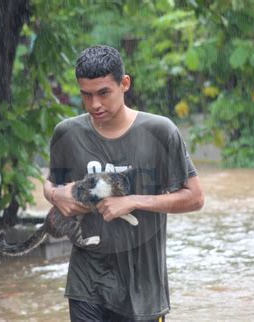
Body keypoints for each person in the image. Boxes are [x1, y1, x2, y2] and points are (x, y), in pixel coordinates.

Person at [43, 45, 204, 322]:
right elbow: (51, 185)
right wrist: (57, 195)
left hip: (143, 286)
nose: (95, 104)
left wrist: (133, 200)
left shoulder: (160, 132)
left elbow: (195, 198)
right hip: (87, 281)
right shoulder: (67, 134)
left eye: (104, 93)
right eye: (86, 94)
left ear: (124, 84)